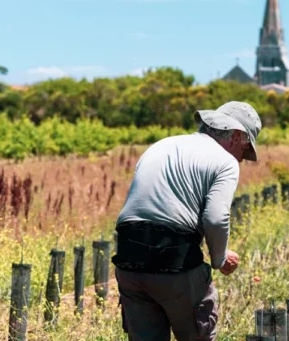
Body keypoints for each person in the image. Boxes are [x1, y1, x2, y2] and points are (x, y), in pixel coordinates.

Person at [111, 101, 262, 341]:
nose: (242, 159)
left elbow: (157, 207)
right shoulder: (225, 161)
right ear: (235, 136)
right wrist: (219, 258)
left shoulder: (161, 145)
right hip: (176, 262)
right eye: (245, 150)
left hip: (129, 257)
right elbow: (215, 217)